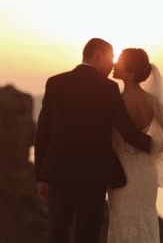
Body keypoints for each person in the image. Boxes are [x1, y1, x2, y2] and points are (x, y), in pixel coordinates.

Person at [35, 38, 153, 243]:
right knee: (87, 235)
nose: (112, 65)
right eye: (110, 58)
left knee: (57, 233)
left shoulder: (55, 83)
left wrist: (41, 176)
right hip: (93, 178)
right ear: (98, 55)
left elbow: (43, 132)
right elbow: (127, 132)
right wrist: (156, 145)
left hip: (58, 174)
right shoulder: (108, 88)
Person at [107, 48, 163, 243]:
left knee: (120, 220)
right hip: (146, 171)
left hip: (123, 170)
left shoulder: (117, 101)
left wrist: (129, 150)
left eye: (119, 62)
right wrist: (149, 150)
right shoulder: (153, 101)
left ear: (129, 72)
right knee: (145, 218)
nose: (114, 65)